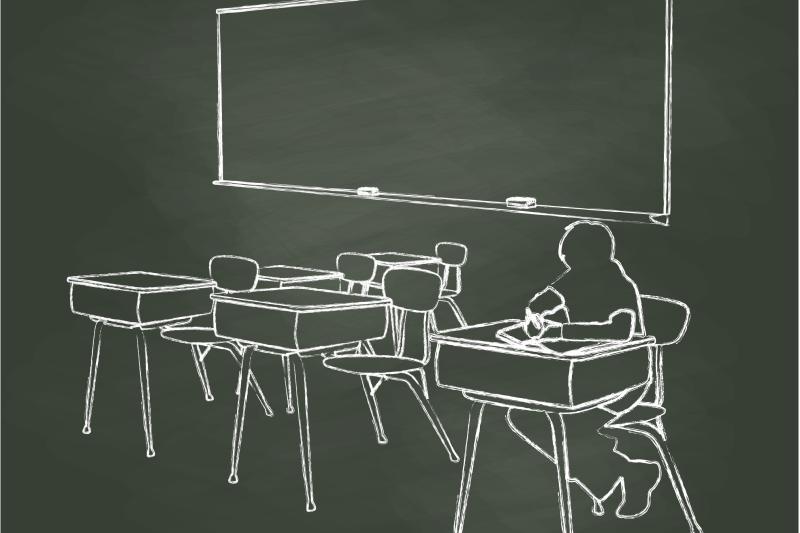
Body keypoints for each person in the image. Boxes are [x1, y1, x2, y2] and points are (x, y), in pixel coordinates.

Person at [517, 220, 661, 519]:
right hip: (581, 376)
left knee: (557, 422)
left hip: (624, 378)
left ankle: (624, 474)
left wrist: (560, 331)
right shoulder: (574, 276)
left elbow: (621, 331)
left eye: (572, 256)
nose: (567, 262)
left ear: (594, 255)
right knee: (524, 413)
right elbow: (542, 300)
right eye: (566, 258)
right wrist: (534, 314)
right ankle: (628, 472)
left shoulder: (618, 284)